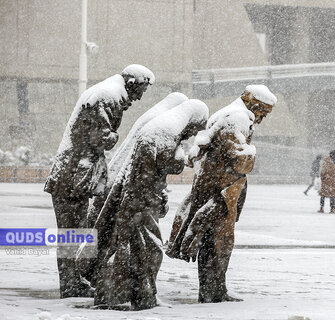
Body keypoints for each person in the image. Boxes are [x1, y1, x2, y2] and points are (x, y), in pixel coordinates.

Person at [77, 99, 209, 310]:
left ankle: (125, 295)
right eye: (195, 128)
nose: (193, 134)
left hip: (138, 199)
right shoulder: (165, 133)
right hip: (141, 202)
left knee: (130, 251)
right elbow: (167, 165)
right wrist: (184, 157)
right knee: (146, 252)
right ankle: (137, 296)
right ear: (192, 120)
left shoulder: (163, 129)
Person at [44, 64, 154, 298]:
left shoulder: (108, 92)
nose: (139, 98)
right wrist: (115, 136)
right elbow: (101, 138)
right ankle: (72, 285)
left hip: (72, 173)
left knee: (73, 233)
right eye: (141, 91)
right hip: (74, 176)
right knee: (73, 233)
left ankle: (74, 282)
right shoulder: (109, 96)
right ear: (132, 83)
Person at [166, 85, 276, 303]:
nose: (262, 117)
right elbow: (238, 160)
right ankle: (212, 292)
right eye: (263, 111)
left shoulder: (225, 114)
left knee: (213, 241)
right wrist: (251, 154)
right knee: (219, 243)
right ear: (255, 104)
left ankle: (214, 289)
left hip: (211, 187)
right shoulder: (238, 118)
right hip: (221, 192)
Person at [86, 92, 188, 228]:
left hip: (124, 183)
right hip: (131, 189)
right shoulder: (162, 125)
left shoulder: (152, 118)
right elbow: (167, 165)